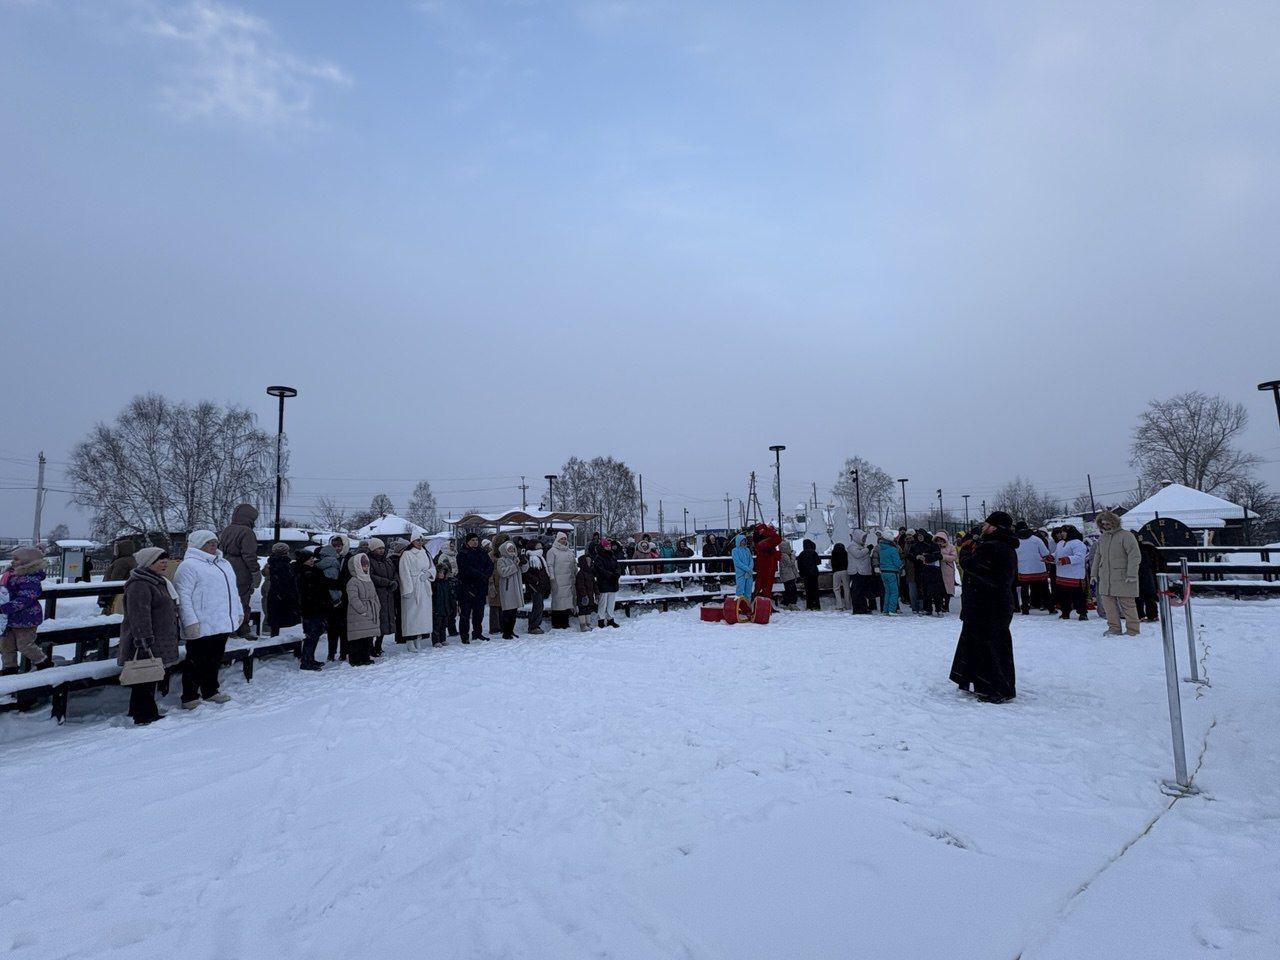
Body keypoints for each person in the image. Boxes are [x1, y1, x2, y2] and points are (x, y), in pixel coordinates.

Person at [949, 512, 1019, 703]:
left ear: (995, 527)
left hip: (988, 604)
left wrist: (964, 552)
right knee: (988, 645)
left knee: (989, 646)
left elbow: (973, 566)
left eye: (986, 524)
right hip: (990, 603)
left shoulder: (993, 546)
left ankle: (993, 688)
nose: (983, 527)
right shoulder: (1001, 545)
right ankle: (985, 684)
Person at [175, 530, 242, 708]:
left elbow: (233, 592)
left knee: (214, 660)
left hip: (221, 621)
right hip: (201, 623)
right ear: (198, 544)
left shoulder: (224, 563)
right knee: (195, 661)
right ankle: (189, 696)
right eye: (209, 543)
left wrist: (238, 612)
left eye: (215, 542)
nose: (213, 546)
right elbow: (183, 597)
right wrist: (190, 622)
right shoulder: (189, 566)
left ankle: (210, 690)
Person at [117, 546, 181, 725]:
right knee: (145, 675)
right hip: (145, 639)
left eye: (165, 561)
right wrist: (143, 638)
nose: (164, 564)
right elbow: (139, 614)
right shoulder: (140, 584)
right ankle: (145, 713)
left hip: (158, 637)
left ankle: (138, 710)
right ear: (148, 563)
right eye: (160, 561)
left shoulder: (158, 581)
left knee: (149, 675)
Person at [1, 546, 50, 674]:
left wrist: (5, 608)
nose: (12, 562)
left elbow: (26, 598)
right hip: (9, 619)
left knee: (25, 645)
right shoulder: (11, 575)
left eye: (16, 559)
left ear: (27, 562)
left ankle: (43, 662)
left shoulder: (30, 578)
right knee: (6, 645)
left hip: (26, 618)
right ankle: (9, 667)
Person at [1091, 510, 1142, 636]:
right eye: (1103, 524)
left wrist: (1132, 574)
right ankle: (1114, 628)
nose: (1106, 526)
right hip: (1106, 578)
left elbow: (1134, 555)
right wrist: (1093, 574)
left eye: (1108, 524)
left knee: (1128, 605)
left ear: (1114, 522)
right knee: (1109, 606)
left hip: (1123, 577)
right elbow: (1098, 556)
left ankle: (1133, 630)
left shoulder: (1126, 535)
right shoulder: (1102, 538)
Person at [217, 503, 260, 638]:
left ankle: (230, 628)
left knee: (228, 599)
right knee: (243, 599)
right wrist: (255, 572)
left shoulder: (227, 529)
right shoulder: (247, 532)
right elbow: (249, 555)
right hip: (241, 569)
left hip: (225, 566)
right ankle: (243, 628)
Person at [293, 546, 331, 670]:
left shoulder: (312, 571)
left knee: (315, 633)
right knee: (312, 634)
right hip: (310, 608)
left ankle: (310, 658)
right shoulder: (304, 573)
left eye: (312, 559)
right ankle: (306, 661)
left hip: (315, 606)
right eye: (309, 559)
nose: (312, 561)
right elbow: (308, 591)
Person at [398, 534, 434, 651]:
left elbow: (432, 566)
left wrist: (428, 574)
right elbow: (404, 572)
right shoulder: (407, 554)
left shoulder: (426, 553)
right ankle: (409, 641)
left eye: (421, 540)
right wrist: (407, 589)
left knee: (422, 615)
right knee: (411, 614)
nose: (420, 542)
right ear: (412, 541)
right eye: (417, 540)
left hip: (424, 586)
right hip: (413, 586)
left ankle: (418, 638)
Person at [317, 534, 350, 661]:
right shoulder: (331, 560)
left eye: (339, 546)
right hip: (334, 597)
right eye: (335, 546)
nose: (337, 548)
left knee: (342, 628)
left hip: (344, 596)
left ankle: (343, 652)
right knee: (334, 628)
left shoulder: (347, 558)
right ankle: (332, 653)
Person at [344, 553, 381, 666]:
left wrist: (377, 606)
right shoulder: (353, 581)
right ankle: (355, 659)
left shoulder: (368, 579)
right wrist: (362, 609)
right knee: (357, 638)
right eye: (363, 565)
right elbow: (353, 598)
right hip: (358, 614)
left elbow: (374, 595)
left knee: (367, 637)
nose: (366, 567)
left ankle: (365, 657)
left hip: (370, 611)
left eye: (367, 565)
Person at [457, 533, 493, 643]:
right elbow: (465, 569)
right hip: (467, 587)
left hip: (480, 587)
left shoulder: (482, 552)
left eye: (476, 540)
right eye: (472, 540)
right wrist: (479, 575)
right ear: (468, 541)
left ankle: (477, 633)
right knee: (465, 614)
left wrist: (486, 575)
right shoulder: (462, 553)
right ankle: (464, 636)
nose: (475, 542)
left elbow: (490, 565)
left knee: (479, 613)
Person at [366, 538, 399, 656]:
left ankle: (378, 645)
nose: (381, 550)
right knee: (375, 621)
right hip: (377, 594)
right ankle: (370, 647)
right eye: (379, 548)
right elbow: (371, 576)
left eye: (383, 548)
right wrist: (387, 582)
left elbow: (394, 572)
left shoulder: (388, 561)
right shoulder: (369, 561)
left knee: (385, 621)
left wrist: (395, 582)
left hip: (388, 594)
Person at [1014, 521, 1052, 615]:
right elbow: (1045, 553)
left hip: (1023, 570)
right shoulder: (1036, 539)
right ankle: (1050, 608)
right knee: (1044, 590)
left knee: (1024, 590)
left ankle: (1025, 609)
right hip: (1039, 568)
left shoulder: (1015, 540)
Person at [1052, 525, 1089, 620]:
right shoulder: (1060, 543)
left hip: (1074, 575)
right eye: (1062, 532)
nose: (1062, 534)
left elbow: (1080, 557)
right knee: (1063, 596)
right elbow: (1056, 554)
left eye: (1064, 532)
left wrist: (1067, 560)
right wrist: (1051, 557)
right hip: (1061, 575)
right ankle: (1065, 612)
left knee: (1078, 596)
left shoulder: (1078, 543)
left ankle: (1082, 613)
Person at [264, 543, 300, 638]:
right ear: (286, 552)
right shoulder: (284, 565)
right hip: (282, 596)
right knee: (281, 620)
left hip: (274, 595)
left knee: (275, 620)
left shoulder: (271, 563)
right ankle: (278, 642)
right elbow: (285, 582)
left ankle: (274, 637)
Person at [496, 541, 528, 639]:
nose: (511, 550)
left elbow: (524, 570)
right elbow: (503, 572)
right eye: (509, 549)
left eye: (512, 548)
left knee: (514, 611)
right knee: (507, 611)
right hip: (507, 589)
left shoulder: (516, 558)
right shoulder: (501, 560)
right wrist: (515, 565)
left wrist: (524, 562)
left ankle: (511, 630)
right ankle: (506, 632)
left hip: (516, 588)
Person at [546, 532, 578, 630]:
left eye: (565, 539)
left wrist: (575, 572)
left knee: (567, 601)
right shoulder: (552, 551)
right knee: (558, 601)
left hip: (568, 580)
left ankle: (565, 621)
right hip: (557, 580)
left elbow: (574, 564)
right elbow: (549, 565)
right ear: (558, 540)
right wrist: (551, 576)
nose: (564, 540)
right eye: (562, 539)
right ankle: (556, 623)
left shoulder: (569, 551)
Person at [910, 530, 945, 616]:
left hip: (933, 571)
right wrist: (916, 557)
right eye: (918, 536)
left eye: (921, 535)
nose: (920, 537)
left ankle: (938, 609)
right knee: (925, 591)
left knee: (936, 591)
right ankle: (927, 609)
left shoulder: (932, 544)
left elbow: (938, 556)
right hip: (921, 571)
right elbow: (910, 555)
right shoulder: (915, 545)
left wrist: (925, 557)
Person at [100, 537, 137, 615]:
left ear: (122, 549)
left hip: (114, 595)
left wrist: (107, 596)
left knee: (108, 617)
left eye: (117, 549)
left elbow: (114, 580)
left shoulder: (121, 562)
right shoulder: (132, 560)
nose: (115, 551)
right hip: (124, 593)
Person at [430, 538, 456, 646]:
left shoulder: (446, 583)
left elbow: (449, 595)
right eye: (440, 572)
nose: (441, 574)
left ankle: (443, 638)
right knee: (437, 624)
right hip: (437, 607)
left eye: (443, 572)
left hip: (445, 606)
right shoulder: (435, 584)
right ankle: (436, 640)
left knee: (444, 623)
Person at [1136, 532, 1165, 622]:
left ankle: (1140, 614)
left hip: (1138, 574)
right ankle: (1152, 615)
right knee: (1149, 595)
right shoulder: (1149, 547)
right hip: (1149, 573)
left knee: (1138, 596)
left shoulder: (1132, 549)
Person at [523, 539, 550, 635]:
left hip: (541, 585)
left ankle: (536, 624)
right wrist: (536, 581)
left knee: (540, 605)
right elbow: (527, 573)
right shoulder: (531, 558)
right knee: (537, 606)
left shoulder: (540, 557)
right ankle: (533, 626)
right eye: (537, 546)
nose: (540, 547)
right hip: (535, 586)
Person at [593, 537, 621, 628]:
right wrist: (611, 576)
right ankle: (601, 620)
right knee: (603, 602)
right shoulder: (599, 557)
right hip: (604, 582)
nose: (608, 547)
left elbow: (617, 567)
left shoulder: (613, 556)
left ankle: (610, 619)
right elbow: (600, 569)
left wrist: (616, 575)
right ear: (602, 546)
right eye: (606, 546)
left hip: (612, 583)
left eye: (609, 546)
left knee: (611, 602)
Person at [752, 524, 782, 600]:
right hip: (768, 564)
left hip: (763, 564)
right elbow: (778, 539)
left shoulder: (758, 542)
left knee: (762, 582)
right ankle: (764, 600)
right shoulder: (767, 542)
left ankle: (758, 599)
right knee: (767, 583)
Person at [848, 530, 874, 614]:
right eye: (863, 537)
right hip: (857, 572)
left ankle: (863, 607)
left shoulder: (861, 546)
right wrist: (867, 549)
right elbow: (858, 555)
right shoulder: (852, 546)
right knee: (857, 591)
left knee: (862, 591)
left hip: (863, 571)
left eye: (865, 537)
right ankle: (858, 609)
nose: (864, 539)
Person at [877, 531, 902, 615]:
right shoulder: (893, 549)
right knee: (894, 592)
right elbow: (897, 562)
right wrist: (900, 566)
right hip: (892, 572)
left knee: (887, 592)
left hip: (883, 572)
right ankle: (892, 610)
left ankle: (885, 609)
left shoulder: (881, 548)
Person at [897, 529, 920, 613]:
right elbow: (903, 555)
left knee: (917, 588)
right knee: (912, 588)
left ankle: (919, 606)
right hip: (909, 568)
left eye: (910, 535)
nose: (909, 536)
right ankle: (914, 606)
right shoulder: (904, 544)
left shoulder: (916, 543)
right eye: (908, 535)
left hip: (917, 568)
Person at [575, 555, 599, 631]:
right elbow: (580, 586)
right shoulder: (580, 574)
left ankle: (588, 623)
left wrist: (597, 593)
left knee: (588, 609)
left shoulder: (590, 573)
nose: (589, 563)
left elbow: (594, 583)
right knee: (582, 609)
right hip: (583, 596)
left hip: (590, 595)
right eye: (587, 561)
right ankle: (583, 625)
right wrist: (584, 595)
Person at [797, 539, 821, 610]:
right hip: (814, 574)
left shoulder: (801, 554)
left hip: (805, 575)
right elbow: (818, 562)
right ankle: (816, 605)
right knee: (815, 590)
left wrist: (801, 573)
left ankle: (809, 606)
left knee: (808, 590)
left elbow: (799, 565)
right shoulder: (813, 552)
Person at [936, 532, 957, 613]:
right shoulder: (935, 547)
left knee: (947, 588)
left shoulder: (951, 547)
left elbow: (954, 557)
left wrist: (943, 557)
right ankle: (941, 604)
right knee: (940, 588)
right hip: (938, 569)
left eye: (941, 540)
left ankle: (946, 605)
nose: (939, 542)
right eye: (938, 540)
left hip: (947, 569)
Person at [731, 533, 754, 598]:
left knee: (748, 591)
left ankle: (747, 606)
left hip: (749, 574)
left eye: (744, 540)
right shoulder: (735, 551)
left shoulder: (747, 550)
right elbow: (737, 562)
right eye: (742, 541)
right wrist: (747, 569)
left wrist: (750, 569)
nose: (743, 542)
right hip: (740, 574)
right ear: (738, 541)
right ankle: (739, 606)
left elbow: (751, 560)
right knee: (740, 591)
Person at [778, 541, 800, 609]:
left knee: (789, 590)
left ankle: (788, 603)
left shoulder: (784, 554)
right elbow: (790, 563)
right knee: (791, 590)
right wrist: (793, 555)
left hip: (788, 576)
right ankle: (791, 603)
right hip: (788, 576)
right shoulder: (784, 555)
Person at [830, 541, 850, 610]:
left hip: (836, 572)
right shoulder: (845, 553)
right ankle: (848, 605)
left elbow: (832, 563)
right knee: (846, 588)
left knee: (836, 589)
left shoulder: (834, 553)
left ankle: (840, 605)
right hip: (845, 571)